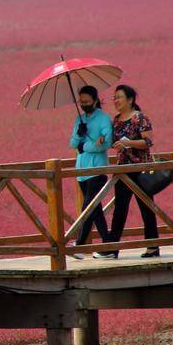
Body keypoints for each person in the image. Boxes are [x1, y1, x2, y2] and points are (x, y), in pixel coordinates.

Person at [97, 84, 159, 259]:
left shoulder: (140, 118)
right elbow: (113, 142)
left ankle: (152, 247)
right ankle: (112, 248)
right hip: (123, 171)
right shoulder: (116, 120)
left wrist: (128, 143)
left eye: (119, 97)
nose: (116, 101)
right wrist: (103, 139)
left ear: (130, 100)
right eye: (114, 98)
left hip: (141, 169)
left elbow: (147, 142)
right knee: (120, 209)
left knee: (146, 207)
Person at [67, 85, 113, 259]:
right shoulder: (79, 120)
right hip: (81, 170)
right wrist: (79, 135)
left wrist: (84, 146)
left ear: (95, 100)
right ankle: (108, 245)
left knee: (88, 206)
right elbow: (72, 144)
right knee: (95, 209)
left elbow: (105, 143)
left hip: (97, 170)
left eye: (87, 101)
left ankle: (80, 244)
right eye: (81, 102)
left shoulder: (103, 119)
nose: (84, 104)